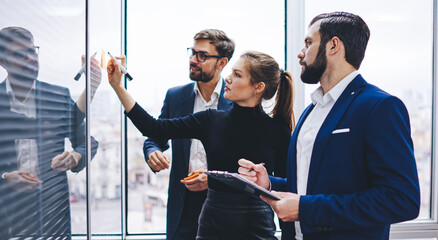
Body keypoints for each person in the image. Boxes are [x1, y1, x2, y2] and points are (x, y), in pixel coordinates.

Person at [238, 11, 420, 240]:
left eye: (308, 42)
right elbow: (312, 184)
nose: (300, 53)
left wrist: (306, 209)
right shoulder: (311, 110)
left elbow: (402, 200)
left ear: (333, 46)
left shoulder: (380, 107)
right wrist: (268, 182)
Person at [108, 50, 294, 239]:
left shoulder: (278, 131)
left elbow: (285, 191)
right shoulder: (210, 120)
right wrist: (118, 87)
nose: (227, 79)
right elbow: (154, 128)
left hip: (257, 228)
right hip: (212, 225)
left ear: (258, 87)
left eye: (237, 75)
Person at [0, 26, 99, 239]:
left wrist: (75, 156)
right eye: (19, 54)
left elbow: (89, 142)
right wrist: (5, 177)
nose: (30, 59)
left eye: (32, 51)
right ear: (3, 61)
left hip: (54, 224)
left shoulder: (58, 96)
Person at [142, 29, 234, 240]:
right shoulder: (175, 96)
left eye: (202, 55)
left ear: (222, 63)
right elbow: (155, 136)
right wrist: (152, 150)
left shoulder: (237, 99)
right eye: (192, 53)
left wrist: (212, 179)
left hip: (223, 202)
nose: (193, 60)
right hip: (182, 203)